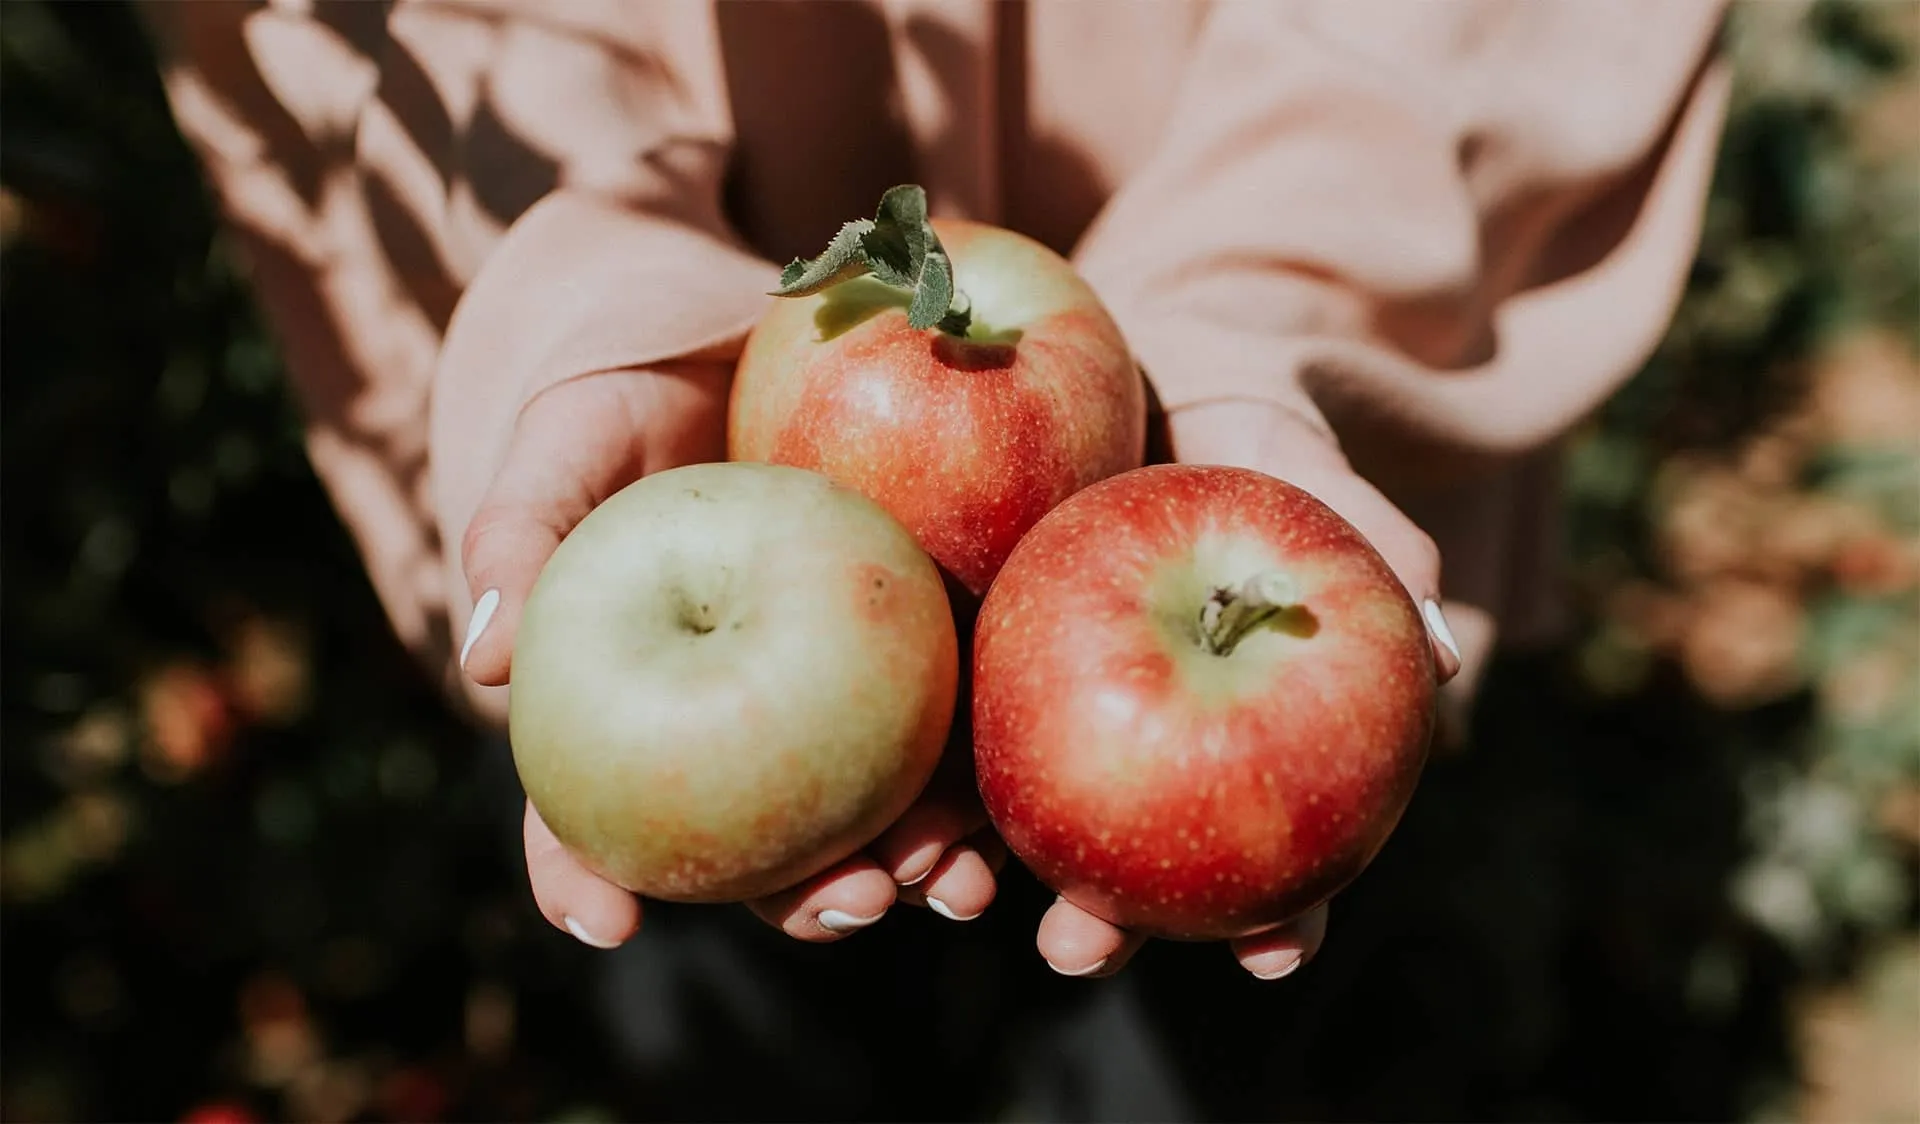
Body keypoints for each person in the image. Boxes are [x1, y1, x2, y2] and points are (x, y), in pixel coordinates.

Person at [146, 0, 1731, 1115]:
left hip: (1221, 460)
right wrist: (599, 284)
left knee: (1186, 1046)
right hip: (696, 503)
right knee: (739, 1036)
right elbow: (415, 35)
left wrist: (1254, 314)